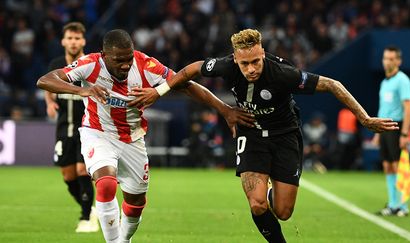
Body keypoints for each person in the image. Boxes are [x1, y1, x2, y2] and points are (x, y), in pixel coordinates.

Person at [134, 29, 399, 242]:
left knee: (283, 212)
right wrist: (159, 92)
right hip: (251, 135)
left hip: (285, 135)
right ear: (236, 59)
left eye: (256, 61)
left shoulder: (284, 74)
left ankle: (273, 190)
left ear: (263, 53)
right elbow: (191, 70)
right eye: (245, 63)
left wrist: (365, 118)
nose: (251, 69)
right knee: (258, 204)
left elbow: (333, 84)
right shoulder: (226, 66)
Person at [37, 29, 254, 243]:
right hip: (98, 133)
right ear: (104, 56)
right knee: (106, 184)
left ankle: (123, 240)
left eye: (128, 58)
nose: (125, 65)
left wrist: (225, 109)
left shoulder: (145, 65)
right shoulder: (91, 64)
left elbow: (185, 85)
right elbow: (46, 79)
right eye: (119, 60)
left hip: (133, 139)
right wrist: (83, 90)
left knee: (136, 202)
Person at [43, 22, 98, 233]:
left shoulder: (90, 64)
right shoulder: (56, 64)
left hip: (87, 128)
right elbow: (48, 84)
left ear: (83, 41)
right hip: (64, 126)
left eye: (77, 38)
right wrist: (49, 102)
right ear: (63, 41)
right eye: (70, 38)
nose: (73, 42)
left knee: (82, 169)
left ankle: (86, 218)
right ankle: (90, 209)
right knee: (68, 175)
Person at [373, 45, 410, 217]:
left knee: (398, 165)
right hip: (384, 128)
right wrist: (377, 133)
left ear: (398, 61)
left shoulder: (402, 80)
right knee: (387, 165)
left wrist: (405, 134)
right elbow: (383, 109)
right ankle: (392, 204)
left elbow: (409, 108)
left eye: (391, 58)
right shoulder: (385, 82)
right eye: (385, 58)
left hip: (396, 127)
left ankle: (403, 206)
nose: (387, 61)